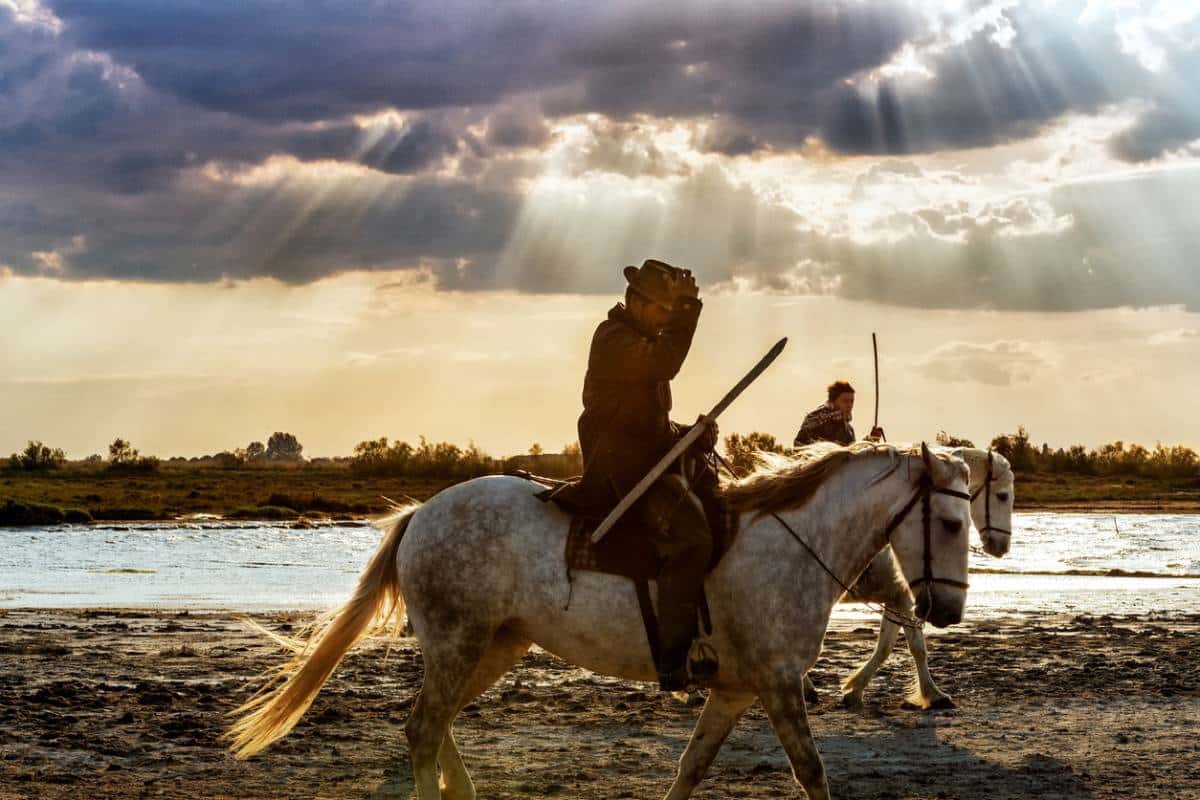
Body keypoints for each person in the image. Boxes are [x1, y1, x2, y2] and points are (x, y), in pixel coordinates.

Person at [568, 258, 718, 692]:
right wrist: (689, 311)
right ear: (634, 301)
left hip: (647, 461)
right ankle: (673, 660)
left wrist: (689, 434)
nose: (665, 319)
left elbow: (651, 423)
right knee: (692, 539)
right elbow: (665, 363)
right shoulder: (613, 339)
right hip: (621, 469)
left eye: (671, 314)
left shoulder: (642, 341)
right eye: (661, 311)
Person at [794, 380, 884, 447]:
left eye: (852, 401)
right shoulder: (817, 420)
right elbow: (799, 445)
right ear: (833, 401)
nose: (850, 405)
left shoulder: (848, 429)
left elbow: (852, 454)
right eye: (845, 401)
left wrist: (871, 440)